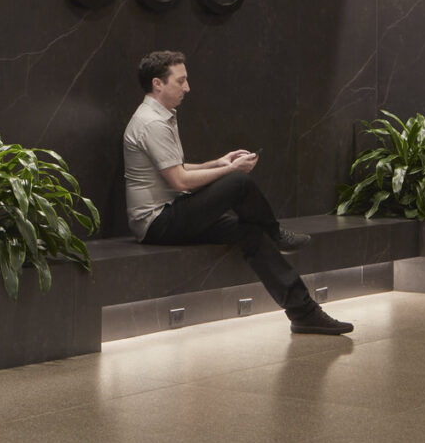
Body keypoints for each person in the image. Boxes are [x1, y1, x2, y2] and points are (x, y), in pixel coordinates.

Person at [123, 49, 353, 336]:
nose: (187, 88)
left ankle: (303, 312)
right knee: (239, 183)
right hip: (157, 223)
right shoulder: (152, 122)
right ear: (158, 84)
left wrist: (219, 162)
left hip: (172, 213)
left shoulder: (160, 115)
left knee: (250, 234)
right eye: (180, 81)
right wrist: (232, 171)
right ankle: (276, 233)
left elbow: (175, 168)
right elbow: (180, 181)